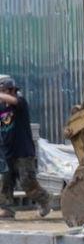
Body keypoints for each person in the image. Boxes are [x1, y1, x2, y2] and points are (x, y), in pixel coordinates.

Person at [0, 74, 51, 219]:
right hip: (6, 152)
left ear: (10, 91)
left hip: (23, 152)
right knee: (5, 183)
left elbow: (13, 101)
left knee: (27, 183)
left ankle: (45, 199)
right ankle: (6, 209)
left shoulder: (20, 103)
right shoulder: (1, 107)